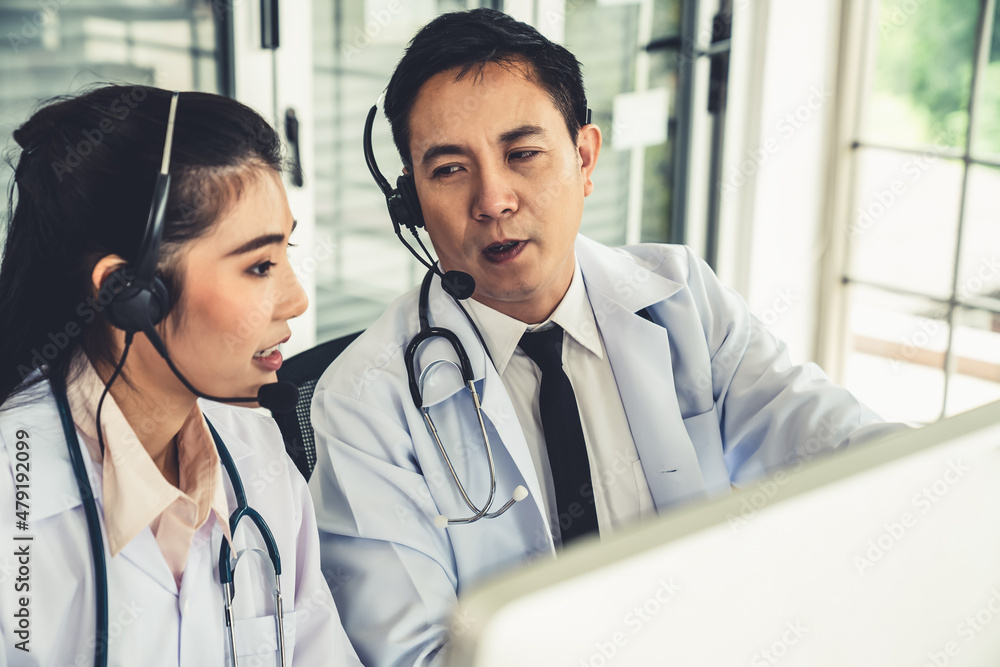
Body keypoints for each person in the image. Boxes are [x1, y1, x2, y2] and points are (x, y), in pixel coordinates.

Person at [308, 9, 904, 666]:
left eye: (523, 154)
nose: (493, 199)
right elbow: (412, 656)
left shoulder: (681, 299)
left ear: (585, 158)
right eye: (450, 169)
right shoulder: (364, 402)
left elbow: (844, 447)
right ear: (412, 203)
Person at [0, 85, 362, 666]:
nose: (295, 300)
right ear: (129, 293)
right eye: (260, 265)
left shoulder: (257, 455)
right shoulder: (14, 504)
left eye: (287, 253)